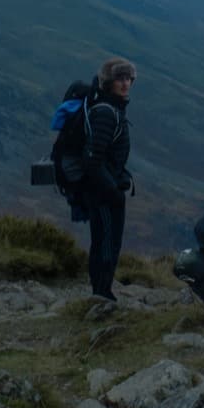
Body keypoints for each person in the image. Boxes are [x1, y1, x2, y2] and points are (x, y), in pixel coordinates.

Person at [70, 56, 135, 300]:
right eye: (120, 78)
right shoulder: (107, 113)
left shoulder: (111, 109)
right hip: (103, 193)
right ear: (108, 82)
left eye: (129, 78)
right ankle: (102, 295)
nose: (125, 83)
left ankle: (100, 290)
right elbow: (92, 160)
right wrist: (114, 192)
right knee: (108, 243)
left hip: (102, 188)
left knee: (102, 241)